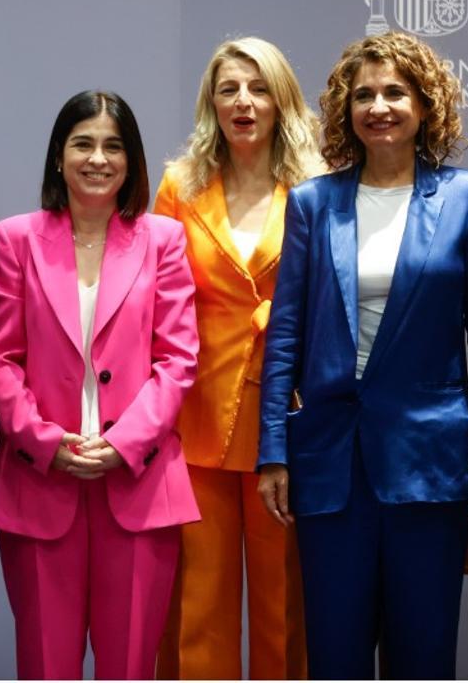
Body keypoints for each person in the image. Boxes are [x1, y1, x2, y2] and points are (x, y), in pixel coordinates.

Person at [258, 31, 468, 679]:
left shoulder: (467, 198)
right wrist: (274, 450)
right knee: (335, 654)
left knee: (421, 654)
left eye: (395, 92)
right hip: (330, 461)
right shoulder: (313, 203)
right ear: (345, 110)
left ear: (425, 105)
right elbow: (285, 334)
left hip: (430, 459)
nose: (379, 106)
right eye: (363, 94)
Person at [0, 90, 200, 680]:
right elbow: (0, 359)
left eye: (113, 146)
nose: (97, 158)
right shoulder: (15, 239)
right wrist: (43, 441)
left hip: (138, 478)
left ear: (131, 162)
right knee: (46, 664)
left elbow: (177, 360)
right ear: (59, 156)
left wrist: (125, 442)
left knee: (130, 665)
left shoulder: (164, 240)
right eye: (83, 144)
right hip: (39, 479)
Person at [153, 37, 321, 680]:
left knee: (286, 605)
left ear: (282, 101)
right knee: (197, 607)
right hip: (194, 420)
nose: (243, 102)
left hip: (289, 418)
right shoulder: (179, 186)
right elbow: (155, 302)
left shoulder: (318, 187)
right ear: (211, 104)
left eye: (258, 88)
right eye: (228, 89)